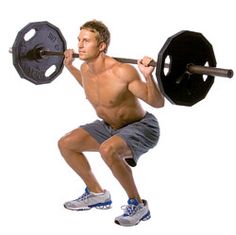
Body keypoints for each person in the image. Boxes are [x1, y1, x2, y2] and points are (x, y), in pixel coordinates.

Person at [58, 20, 165, 227]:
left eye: (86, 41)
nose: (79, 45)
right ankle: (97, 194)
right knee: (66, 143)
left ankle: (138, 204)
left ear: (101, 46)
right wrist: (70, 67)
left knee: (108, 150)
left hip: (142, 127)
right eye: (79, 40)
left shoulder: (122, 72)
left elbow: (157, 103)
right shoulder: (86, 69)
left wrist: (147, 77)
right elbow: (90, 86)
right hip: (110, 126)